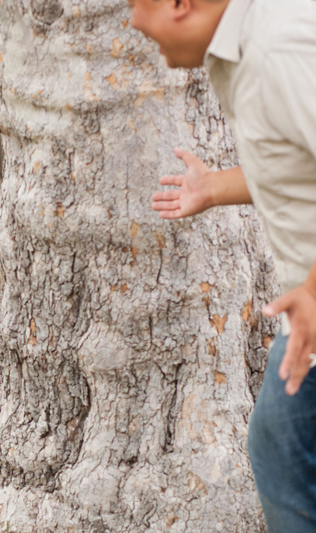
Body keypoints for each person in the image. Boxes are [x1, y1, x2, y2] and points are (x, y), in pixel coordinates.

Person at [128, 0, 316, 530]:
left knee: (284, 451)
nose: (133, 20)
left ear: (180, 4)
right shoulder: (247, 45)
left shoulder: (280, 47)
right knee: (280, 445)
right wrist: (213, 187)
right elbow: (294, 160)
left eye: (137, 3)